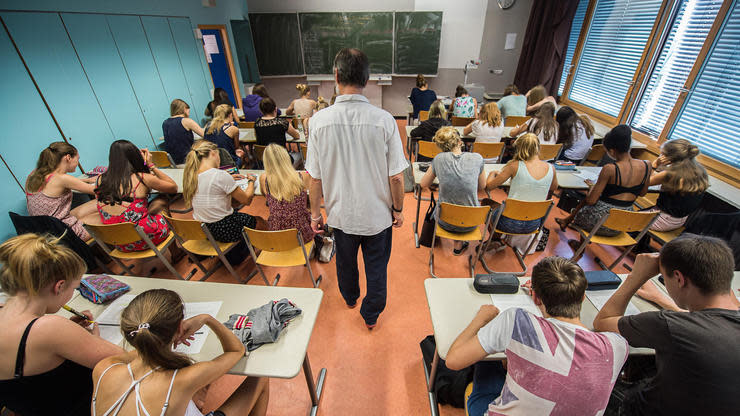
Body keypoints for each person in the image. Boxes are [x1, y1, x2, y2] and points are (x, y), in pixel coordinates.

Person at [447, 256, 628, 416]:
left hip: (490, 406)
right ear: (582, 297)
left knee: (489, 361)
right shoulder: (618, 346)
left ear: (535, 298)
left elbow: (454, 361)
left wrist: (481, 318)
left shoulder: (516, 320)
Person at [306, 48, 408, 329]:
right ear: (368, 79)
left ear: (336, 76)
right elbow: (397, 177)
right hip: (377, 216)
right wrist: (398, 209)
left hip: (341, 215)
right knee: (377, 269)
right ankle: (371, 315)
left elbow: (313, 178)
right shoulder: (385, 120)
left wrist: (315, 214)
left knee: (346, 264)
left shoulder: (318, 122)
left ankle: (350, 297)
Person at [593, 235, 740, 416]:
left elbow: (603, 321)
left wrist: (636, 277)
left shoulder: (668, 325)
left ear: (679, 278)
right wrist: (660, 299)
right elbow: (711, 322)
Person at [91, 289, 269, 416]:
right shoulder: (183, 379)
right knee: (260, 376)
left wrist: (164, 340)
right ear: (180, 327)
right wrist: (206, 319)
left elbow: (144, 354)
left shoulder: (104, 368)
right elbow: (237, 350)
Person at [0, 234, 124, 415]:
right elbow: (122, 359)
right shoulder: (49, 329)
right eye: (74, 289)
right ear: (59, 286)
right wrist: (93, 340)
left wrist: (71, 336)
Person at [555, 125, 651, 249]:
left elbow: (591, 200)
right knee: (599, 201)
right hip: (623, 223)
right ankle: (566, 221)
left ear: (611, 151)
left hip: (600, 222)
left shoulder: (610, 169)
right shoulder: (647, 165)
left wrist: (592, 188)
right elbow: (643, 193)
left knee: (589, 201)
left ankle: (580, 245)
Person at [183, 141, 261, 264]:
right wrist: (251, 181)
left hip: (204, 229)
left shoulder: (190, 175)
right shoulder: (219, 175)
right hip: (224, 229)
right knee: (259, 221)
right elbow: (246, 200)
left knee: (234, 209)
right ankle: (266, 250)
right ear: (213, 153)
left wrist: (229, 178)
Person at [95, 140, 176, 252]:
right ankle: (176, 252)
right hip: (146, 239)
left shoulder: (100, 179)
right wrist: (150, 165)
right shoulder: (141, 178)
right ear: (135, 157)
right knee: (161, 201)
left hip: (120, 243)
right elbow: (173, 187)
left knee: (145, 209)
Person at [485, 133, 558, 249]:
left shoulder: (514, 166)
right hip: (534, 224)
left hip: (509, 223)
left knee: (486, 204)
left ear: (519, 148)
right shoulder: (551, 168)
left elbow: (489, 186)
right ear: (538, 148)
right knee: (505, 209)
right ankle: (499, 241)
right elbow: (554, 187)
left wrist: (492, 173)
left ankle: (495, 239)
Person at [420, 127, 486, 255]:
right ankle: (458, 245)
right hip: (472, 222)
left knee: (444, 203)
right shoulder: (477, 158)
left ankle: (453, 241)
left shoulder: (439, 159)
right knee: (462, 202)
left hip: (445, 221)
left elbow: (423, 184)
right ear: (460, 142)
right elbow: (482, 186)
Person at [25, 142, 98, 241]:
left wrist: (86, 180)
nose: (78, 163)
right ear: (68, 157)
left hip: (48, 232)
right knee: (106, 211)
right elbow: (97, 190)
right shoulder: (62, 179)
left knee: (97, 204)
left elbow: (55, 185)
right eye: (77, 159)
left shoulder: (33, 175)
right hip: (64, 234)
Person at [647, 139, 709, 232]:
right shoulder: (700, 171)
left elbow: (645, 182)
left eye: (662, 154)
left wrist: (655, 165)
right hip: (680, 221)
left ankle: (637, 241)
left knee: (626, 219)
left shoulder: (671, 174)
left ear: (669, 158)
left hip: (662, 220)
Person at [259, 144, 315, 243]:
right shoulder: (302, 176)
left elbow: (266, 197)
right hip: (302, 235)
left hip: (278, 236)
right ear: (286, 158)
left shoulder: (264, 178)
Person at [162, 99, 204, 165]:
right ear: (184, 109)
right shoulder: (186, 121)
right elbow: (205, 135)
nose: (189, 113)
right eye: (188, 110)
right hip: (187, 160)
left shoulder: (165, 123)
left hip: (173, 161)